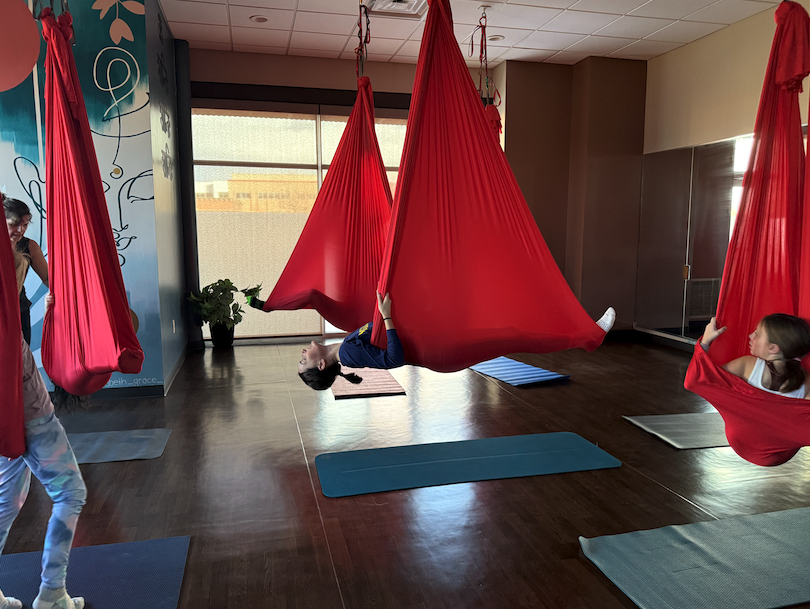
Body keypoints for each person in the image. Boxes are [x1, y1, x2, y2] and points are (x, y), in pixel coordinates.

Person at [0, 247, 86, 609]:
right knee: (70, 493)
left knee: (6, 501)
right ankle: (52, 593)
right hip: (29, 412)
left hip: (7, 416)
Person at [249, 291, 404, 390]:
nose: (302, 352)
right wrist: (386, 315)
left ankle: (270, 306)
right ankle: (269, 306)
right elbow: (394, 360)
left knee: (313, 296)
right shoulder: (347, 354)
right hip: (403, 323)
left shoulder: (345, 348)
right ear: (321, 364)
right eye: (304, 360)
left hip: (402, 321)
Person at [700, 314, 810, 398]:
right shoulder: (807, 381)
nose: (750, 336)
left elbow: (704, 380)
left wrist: (705, 342)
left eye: (757, 334)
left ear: (773, 348)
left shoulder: (747, 365)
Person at [4, 193, 49, 345]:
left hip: (19, 311)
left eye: (24, 225)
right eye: (14, 224)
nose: (20, 230)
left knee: (22, 363)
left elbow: (49, 278)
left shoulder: (29, 246)